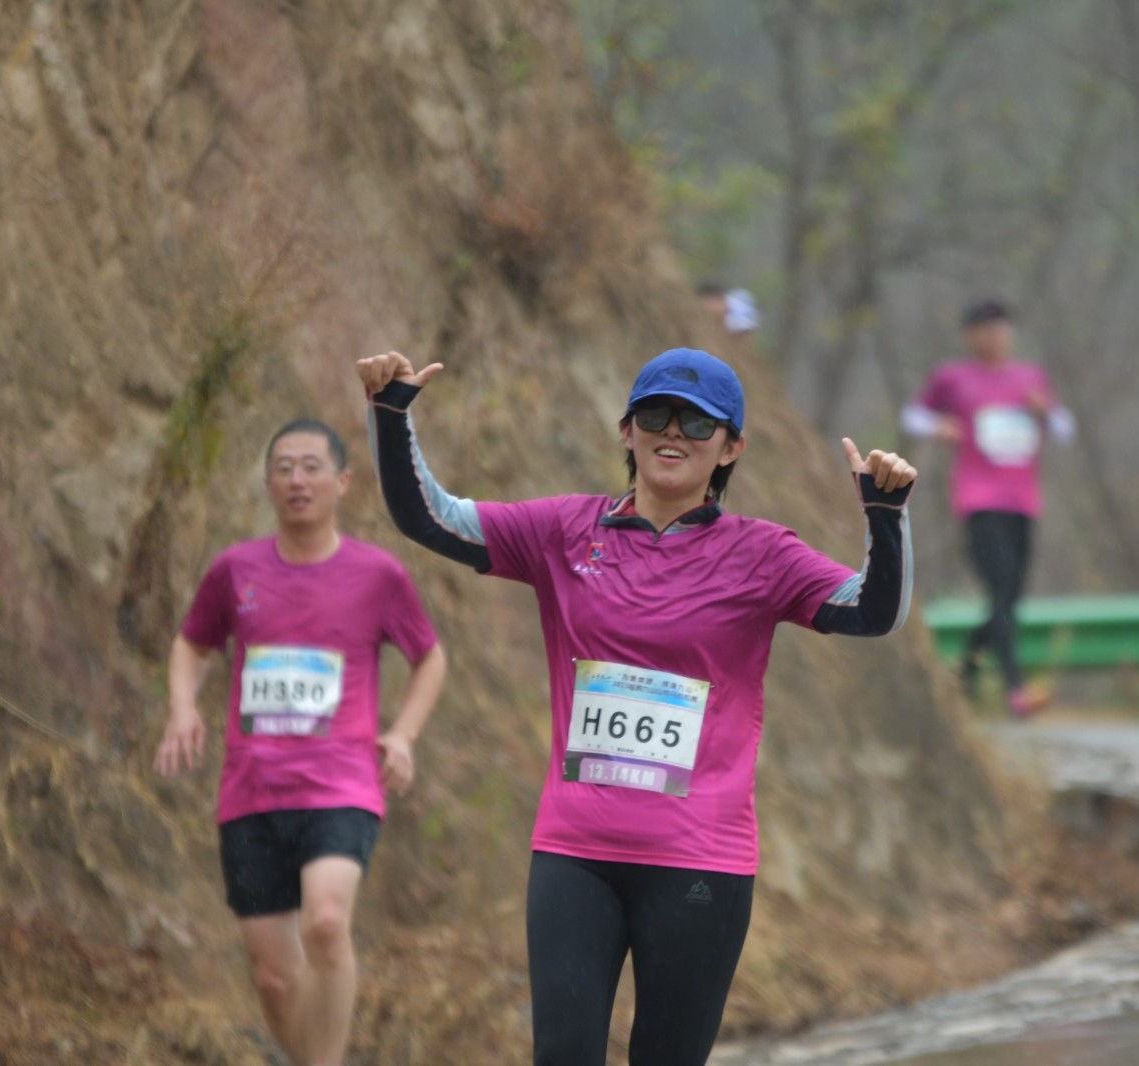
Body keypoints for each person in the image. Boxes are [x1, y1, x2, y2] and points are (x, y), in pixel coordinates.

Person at [358, 346, 916, 1066]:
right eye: (655, 414)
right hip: (575, 853)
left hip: (700, 864)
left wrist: (885, 515)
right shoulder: (565, 531)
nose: (673, 432)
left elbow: (873, 613)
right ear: (627, 430)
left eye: (698, 422)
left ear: (732, 447)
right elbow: (433, 519)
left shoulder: (762, 554)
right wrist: (391, 414)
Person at [154, 418, 447, 1066]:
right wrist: (182, 710)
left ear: (342, 482)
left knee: (325, 921)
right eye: (283, 467)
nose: (297, 479)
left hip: (342, 784)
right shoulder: (235, 570)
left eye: (312, 466)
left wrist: (403, 734)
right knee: (275, 979)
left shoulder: (378, 575)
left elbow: (429, 657)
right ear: (267, 483)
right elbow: (191, 643)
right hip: (251, 790)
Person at [901, 300, 1074, 717]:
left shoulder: (1030, 379)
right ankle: (1017, 692)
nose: (996, 338)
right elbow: (912, 416)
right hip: (978, 500)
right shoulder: (954, 378)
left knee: (1008, 600)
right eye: (987, 330)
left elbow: (1065, 431)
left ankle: (961, 677)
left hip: (1024, 501)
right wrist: (938, 425)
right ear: (971, 336)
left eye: (1002, 330)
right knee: (999, 592)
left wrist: (1045, 413)